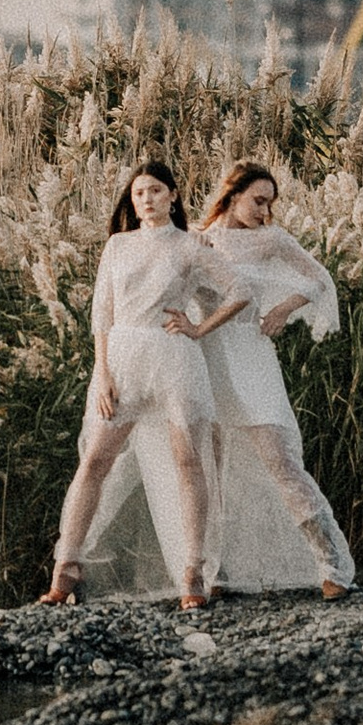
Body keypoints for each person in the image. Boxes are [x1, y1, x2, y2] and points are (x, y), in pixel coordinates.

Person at [40, 161, 250, 613]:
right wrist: (103, 374)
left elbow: (240, 291)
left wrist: (198, 327)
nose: (146, 199)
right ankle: (64, 571)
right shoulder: (118, 246)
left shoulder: (189, 246)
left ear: (173, 196)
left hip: (174, 359)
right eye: (138, 193)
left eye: (155, 190)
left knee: (187, 460)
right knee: (95, 460)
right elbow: (102, 315)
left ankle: (193, 571)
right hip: (123, 358)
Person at [197, 161, 355, 599]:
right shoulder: (198, 238)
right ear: (232, 195)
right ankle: (210, 573)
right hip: (207, 355)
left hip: (250, 353)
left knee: (281, 461)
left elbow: (319, 279)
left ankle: (332, 565)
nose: (265, 211)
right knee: (210, 467)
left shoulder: (271, 239)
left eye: (270, 203)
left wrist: (284, 309)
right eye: (258, 201)